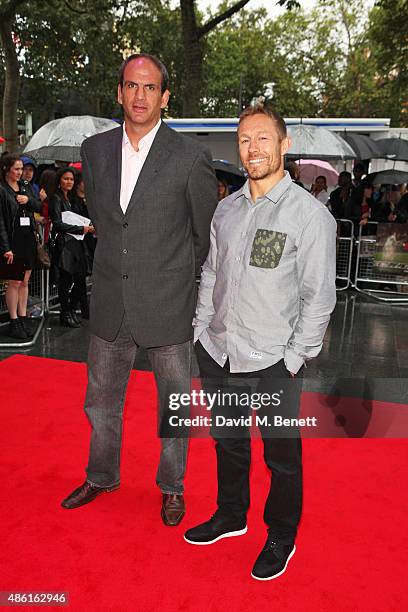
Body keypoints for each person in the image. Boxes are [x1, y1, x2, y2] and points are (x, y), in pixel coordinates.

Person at [61, 53, 218, 526]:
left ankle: (172, 487)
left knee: (173, 406)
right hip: (110, 299)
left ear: (165, 97)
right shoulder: (95, 150)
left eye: (150, 88)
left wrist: (172, 277)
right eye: (132, 86)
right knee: (101, 402)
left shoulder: (189, 156)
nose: (140, 96)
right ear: (119, 92)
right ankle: (102, 474)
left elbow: (202, 233)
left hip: (167, 304)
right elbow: (112, 226)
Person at [184, 105, 336, 580]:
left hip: (274, 360)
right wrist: (200, 331)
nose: (253, 149)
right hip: (219, 350)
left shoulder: (310, 217)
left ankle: (281, 535)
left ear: (284, 146)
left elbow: (319, 298)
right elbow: (212, 274)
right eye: (245, 140)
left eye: (263, 139)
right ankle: (231, 515)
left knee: (281, 458)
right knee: (227, 442)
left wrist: (294, 359)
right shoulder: (225, 208)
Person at [0, 154, 42, 339]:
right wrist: (5, 247)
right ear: (6, 169)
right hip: (12, 241)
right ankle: (14, 319)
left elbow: (38, 206)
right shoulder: (2, 190)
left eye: (21, 169)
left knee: (25, 282)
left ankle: (23, 316)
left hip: (28, 239)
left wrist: (28, 200)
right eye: (16, 169)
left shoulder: (25, 186)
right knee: (14, 281)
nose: (20, 172)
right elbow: (0, 221)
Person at [49, 167, 94, 328]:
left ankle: (70, 311)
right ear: (59, 181)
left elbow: (81, 218)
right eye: (66, 179)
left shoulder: (71, 199)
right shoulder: (56, 198)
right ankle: (65, 313)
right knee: (65, 280)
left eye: (71, 179)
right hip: (63, 244)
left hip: (74, 243)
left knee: (78, 277)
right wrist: (80, 229)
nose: (69, 182)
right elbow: (58, 223)